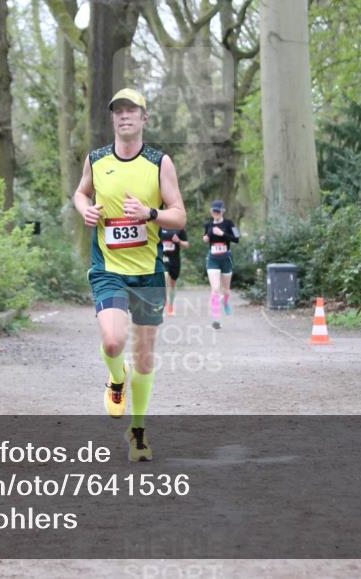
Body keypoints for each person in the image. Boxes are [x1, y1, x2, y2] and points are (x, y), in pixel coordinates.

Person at [72, 88, 186, 462]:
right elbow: (80, 193)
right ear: (112, 118)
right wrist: (85, 210)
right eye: (118, 110)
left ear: (144, 118)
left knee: (145, 356)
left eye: (131, 110)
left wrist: (150, 214)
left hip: (149, 272)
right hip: (109, 269)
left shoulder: (159, 163)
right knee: (112, 341)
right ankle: (116, 378)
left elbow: (179, 215)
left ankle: (137, 432)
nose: (124, 116)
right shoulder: (96, 159)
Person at [203, 199, 239, 329]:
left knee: (226, 291)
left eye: (218, 211)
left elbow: (237, 238)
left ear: (223, 211)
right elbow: (206, 237)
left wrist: (223, 233)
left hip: (226, 259)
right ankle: (216, 319)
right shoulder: (208, 224)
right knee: (215, 289)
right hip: (213, 259)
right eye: (214, 211)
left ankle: (226, 301)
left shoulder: (229, 223)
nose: (216, 213)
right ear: (211, 211)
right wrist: (205, 238)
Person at [159, 226, 189, 316]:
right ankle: (162, 304)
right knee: (163, 279)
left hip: (175, 260)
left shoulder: (179, 228)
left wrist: (178, 241)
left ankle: (171, 306)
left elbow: (186, 245)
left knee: (173, 283)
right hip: (163, 258)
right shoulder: (159, 228)